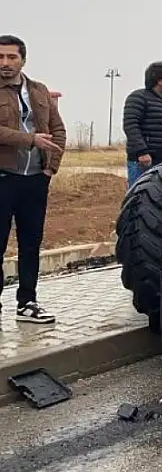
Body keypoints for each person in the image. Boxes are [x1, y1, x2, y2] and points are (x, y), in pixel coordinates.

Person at [0, 35, 66, 324]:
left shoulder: (39, 91)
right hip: (3, 178)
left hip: (35, 180)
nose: (5, 63)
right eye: (0, 57)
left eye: (11, 57)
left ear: (23, 60)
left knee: (30, 244)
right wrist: (30, 140)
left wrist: (50, 169)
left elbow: (58, 131)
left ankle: (27, 303)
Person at [122, 62, 162, 187]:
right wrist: (142, 152)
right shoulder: (137, 98)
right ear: (159, 80)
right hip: (143, 162)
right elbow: (131, 125)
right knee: (140, 199)